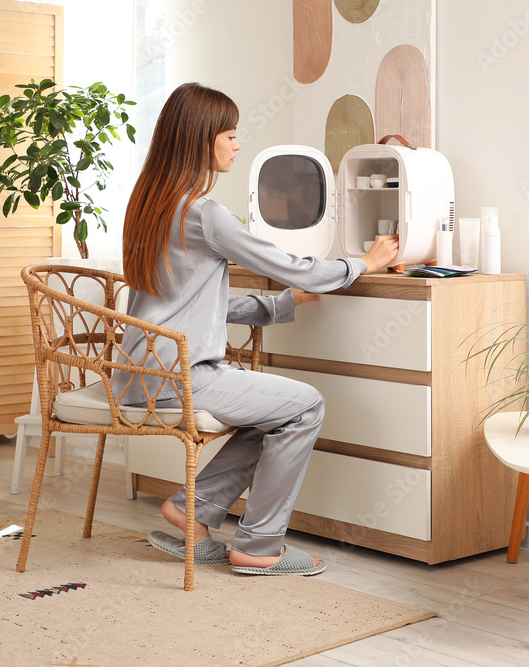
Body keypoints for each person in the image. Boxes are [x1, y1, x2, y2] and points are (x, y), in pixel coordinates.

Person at [113, 82, 399, 576]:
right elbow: (293, 265)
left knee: (277, 411)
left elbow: (198, 304)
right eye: (229, 134)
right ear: (200, 140)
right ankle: (259, 546)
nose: (237, 144)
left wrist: (282, 305)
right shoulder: (205, 214)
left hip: (139, 375)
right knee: (306, 405)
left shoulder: (152, 205)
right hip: (179, 377)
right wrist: (363, 265)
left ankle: (192, 512)